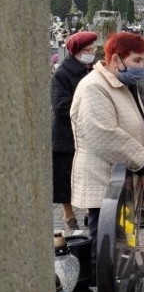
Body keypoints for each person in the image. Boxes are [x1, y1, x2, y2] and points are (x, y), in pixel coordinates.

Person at [70, 32, 144, 265]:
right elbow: (104, 134)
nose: (142, 66)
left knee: (124, 242)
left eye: (143, 60)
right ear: (116, 59)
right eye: (137, 61)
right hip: (104, 183)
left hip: (126, 180)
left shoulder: (124, 84)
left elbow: (141, 126)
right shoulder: (94, 87)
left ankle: (123, 288)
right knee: (106, 246)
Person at [51, 31, 97, 233]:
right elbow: (60, 106)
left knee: (87, 175)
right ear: (77, 51)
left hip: (89, 134)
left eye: (94, 49)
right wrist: (87, 106)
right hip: (66, 137)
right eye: (88, 50)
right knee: (65, 178)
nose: (92, 53)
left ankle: (89, 209)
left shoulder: (92, 70)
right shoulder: (62, 73)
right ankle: (68, 213)